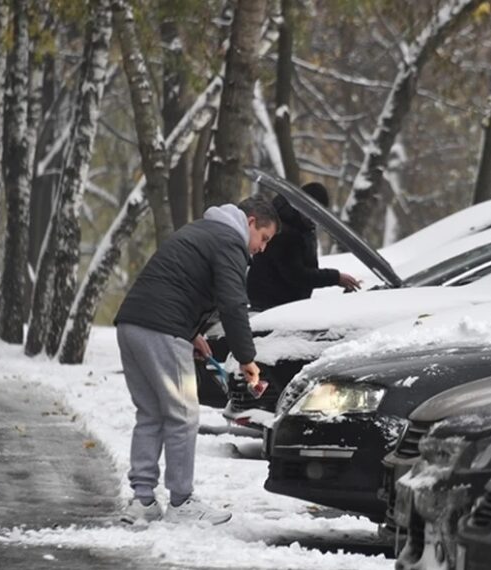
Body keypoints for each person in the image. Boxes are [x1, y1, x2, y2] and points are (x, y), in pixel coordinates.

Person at [113, 196, 279, 527]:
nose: (262, 249)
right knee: (184, 415)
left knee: (151, 414)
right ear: (249, 223)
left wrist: (191, 333)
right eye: (264, 238)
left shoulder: (201, 230)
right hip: (162, 329)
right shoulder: (230, 241)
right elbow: (233, 304)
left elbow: (178, 284)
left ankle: (142, 501)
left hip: (131, 324)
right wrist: (247, 358)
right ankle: (181, 500)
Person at [247, 182, 360, 310]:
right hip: (269, 306)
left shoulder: (302, 225)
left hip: (286, 305)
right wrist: (336, 278)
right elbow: (296, 275)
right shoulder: (282, 231)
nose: (315, 220)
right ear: (302, 205)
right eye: (313, 213)